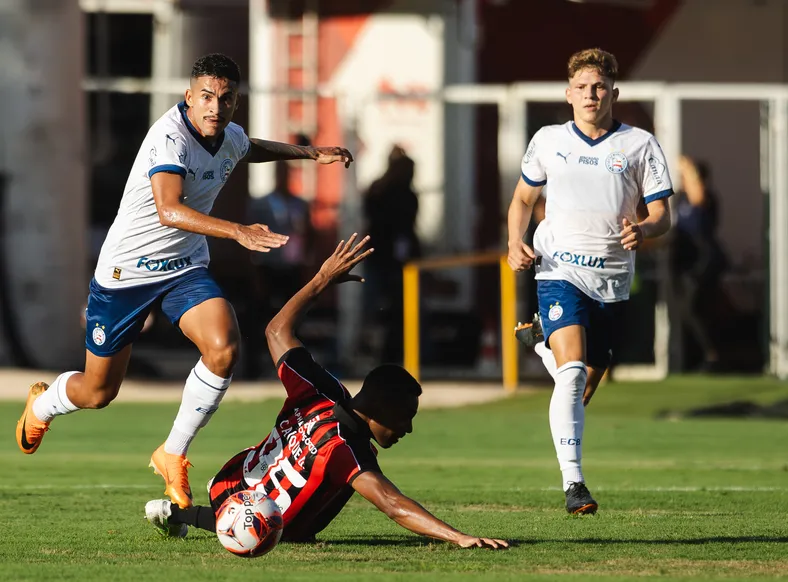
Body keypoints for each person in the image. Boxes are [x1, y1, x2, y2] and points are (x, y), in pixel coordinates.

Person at [15, 53, 353, 511]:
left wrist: (309, 153)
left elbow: (247, 147)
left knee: (224, 347)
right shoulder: (168, 138)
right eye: (207, 97)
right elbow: (168, 210)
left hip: (184, 268)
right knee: (98, 392)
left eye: (226, 98)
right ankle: (44, 404)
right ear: (189, 97)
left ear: (236, 102)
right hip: (126, 274)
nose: (216, 107)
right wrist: (238, 231)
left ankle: (172, 452)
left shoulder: (227, 135)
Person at [144, 234, 508, 550]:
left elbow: (275, 331)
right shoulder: (345, 452)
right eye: (405, 418)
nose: (407, 430)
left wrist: (321, 279)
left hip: (231, 481)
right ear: (380, 407)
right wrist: (458, 536)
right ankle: (197, 516)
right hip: (259, 518)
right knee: (285, 529)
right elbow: (391, 503)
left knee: (282, 496)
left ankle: (186, 515)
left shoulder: (322, 390)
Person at [507, 48, 673, 514]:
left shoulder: (640, 144)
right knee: (574, 371)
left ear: (613, 93)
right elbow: (522, 198)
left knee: (583, 385)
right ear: (568, 94)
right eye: (581, 87)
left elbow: (663, 214)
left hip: (613, 281)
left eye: (598, 86)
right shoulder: (547, 140)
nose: (590, 94)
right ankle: (574, 484)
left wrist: (644, 228)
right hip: (558, 269)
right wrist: (513, 241)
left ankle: (542, 344)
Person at [244, 160, 314, 377]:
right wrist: (253, 270)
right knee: (260, 316)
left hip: (291, 266)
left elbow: (309, 234)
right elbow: (249, 237)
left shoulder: (299, 204)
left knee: (293, 317)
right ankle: (253, 366)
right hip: (267, 265)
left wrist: (306, 261)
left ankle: (294, 366)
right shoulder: (261, 204)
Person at [362, 146, 421, 363]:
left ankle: (388, 352)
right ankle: (384, 352)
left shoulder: (381, 190)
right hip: (387, 260)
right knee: (387, 309)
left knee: (388, 310)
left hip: (386, 259)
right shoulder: (393, 193)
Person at [668, 156, 727, 372]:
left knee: (694, 309)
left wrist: (688, 168)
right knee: (684, 311)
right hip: (683, 263)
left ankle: (713, 355)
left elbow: (698, 198)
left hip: (703, 264)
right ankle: (697, 358)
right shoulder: (681, 199)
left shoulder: (706, 197)